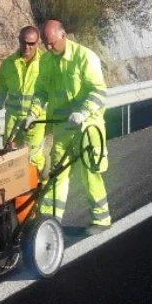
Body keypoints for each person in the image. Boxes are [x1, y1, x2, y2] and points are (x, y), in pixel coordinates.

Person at [24, 20, 111, 234]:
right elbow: (42, 91)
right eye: (46, 44)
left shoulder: (85, 57)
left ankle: (100, 219)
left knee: (90, 172)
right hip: (62, 128)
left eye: (52, 43)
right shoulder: (46, 61)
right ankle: (48, 223)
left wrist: (83, 112)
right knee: (57, 175)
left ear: (64, 36)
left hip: (87, 127)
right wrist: (33, 113)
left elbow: (99, 91)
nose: (49, 47)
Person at [0, 26, 47, 223]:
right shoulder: (9, 64)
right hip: (13, 121)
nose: (27, 47)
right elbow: (0, 91)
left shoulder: (45, 64)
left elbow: (46, 92)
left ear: (37, 43)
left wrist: (35, 114)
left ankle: (34, 206)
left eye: (31, 43)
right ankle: (15, 208)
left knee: (32, 159)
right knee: (11, 160)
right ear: (19, 41)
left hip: (35, 121)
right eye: (24, 43)